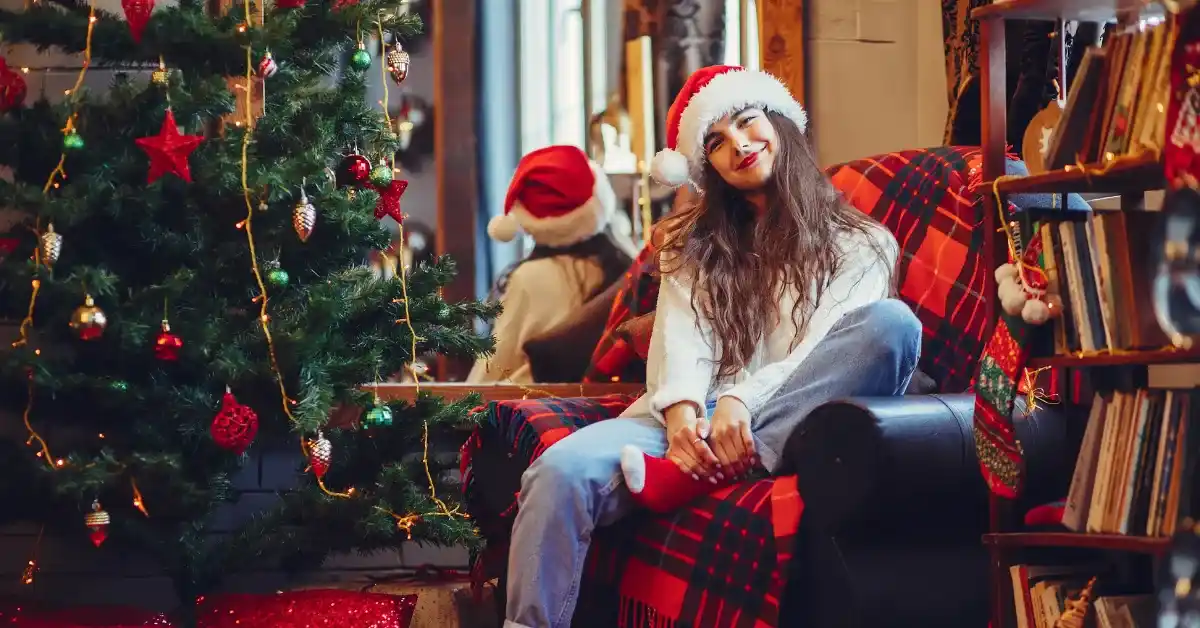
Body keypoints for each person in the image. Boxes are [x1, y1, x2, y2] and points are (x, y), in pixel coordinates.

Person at [502, 65, 923, 628]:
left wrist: (742, 404)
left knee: (893, 325)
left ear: (780, 123)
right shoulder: (690, 243)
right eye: (716, 143)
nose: (739, 147)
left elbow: (826, 345)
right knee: (555, 473)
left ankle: (728, 462)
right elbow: (682, 337)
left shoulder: (863, 242)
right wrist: (681, 416)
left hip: (802, 419)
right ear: (707, 167)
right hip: (689, 422)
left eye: (748, 123)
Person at [469, 145, 632, 384]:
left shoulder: (530, 278)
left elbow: (489, 373)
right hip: (616, 411)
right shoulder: (629, 267)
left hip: (540, 413)